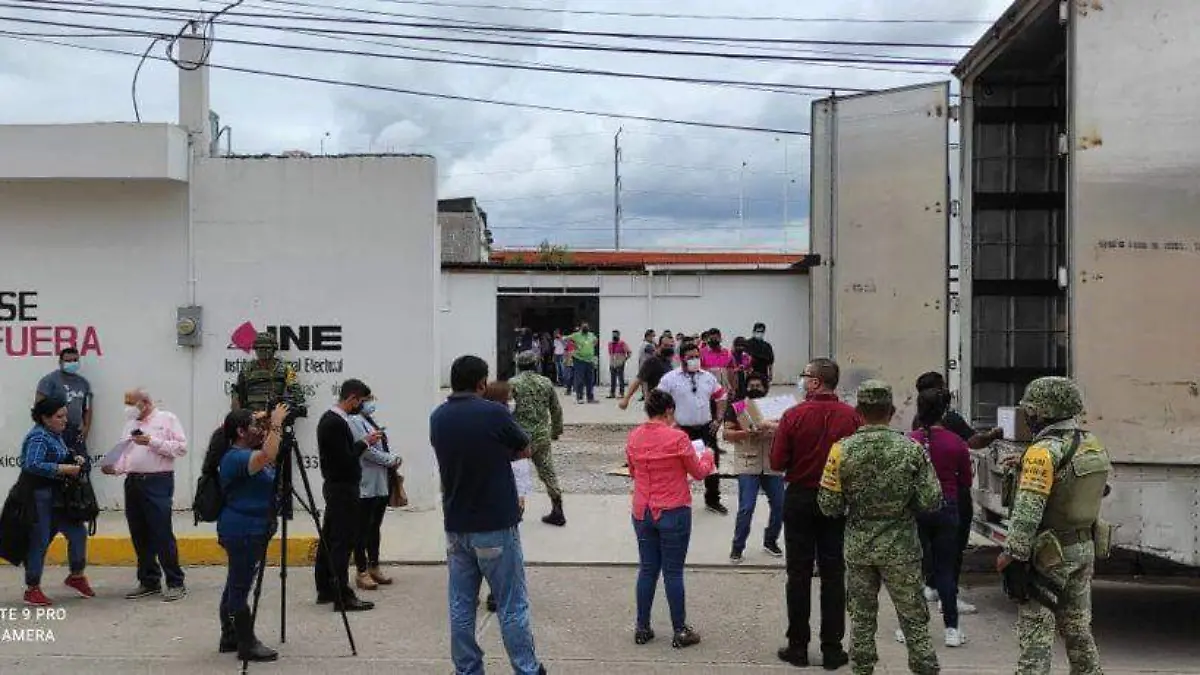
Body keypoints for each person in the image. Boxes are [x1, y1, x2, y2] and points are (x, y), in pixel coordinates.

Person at [818, 380, 943, 675]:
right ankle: (925, 669)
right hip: (902, 549)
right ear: (892, 410)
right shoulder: (911, 449)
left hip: (859, 548)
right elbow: (932, 500)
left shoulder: (840, 451)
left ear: (859, 411)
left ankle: (862, 669)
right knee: (914, 621)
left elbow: (828, 505)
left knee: (861, 620)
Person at [431, 355, 545, 675]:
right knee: (511, 603)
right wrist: (501, 453)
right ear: (482, 383)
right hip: (495, 523)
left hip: (456, 525)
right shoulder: (493, 413)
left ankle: (467, 669)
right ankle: (526, 668)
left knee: (461, 605)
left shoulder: (438, 417)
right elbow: (524, 447)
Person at [997, 376, 1109, 675]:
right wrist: (1024, 464)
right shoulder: (1091, 443)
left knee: (1036, 633)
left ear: (1042, 412)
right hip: (1082, 548)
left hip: (1049, 554)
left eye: (1030, 410)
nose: (1028, 415)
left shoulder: (1042, 452)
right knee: (1077, 629)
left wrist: (1012, 553)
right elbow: (1089, 488)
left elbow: (1028, 510)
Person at [769, 357, 860, 669]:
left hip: (800, 497)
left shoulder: (793, 416)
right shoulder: (852, 418)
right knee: (834, 574)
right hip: (836, 499)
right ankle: (832, 649)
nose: (802, 380)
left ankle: (798, 647)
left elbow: (778, 462)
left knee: (798, 574)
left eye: (805, 376)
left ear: (816, 382)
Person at [626, 389, 714, 649]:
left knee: (647, 569)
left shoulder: (634, 436)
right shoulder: (678, 438)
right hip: (673, 509)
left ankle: (642, 628)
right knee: (673, 572)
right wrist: (708, 455)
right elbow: (698, 473)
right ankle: (680, 630)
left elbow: (632, 470)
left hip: (642, 510)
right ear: (669, 411)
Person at [911, 371, 1001, 614]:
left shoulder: (916, 425)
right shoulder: (950, 425)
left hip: (923, 496)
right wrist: (994, 434)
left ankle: (931, 585)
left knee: (927, 544)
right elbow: (972, 446)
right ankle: (948, 595)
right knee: (951, 547)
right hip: (951, 495)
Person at [206, 403, 289, 661]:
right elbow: (268, 456)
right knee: (240, 586)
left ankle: (230, 635)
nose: (259, 429)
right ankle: (246, 641)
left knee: (236, 580)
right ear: (241, 432)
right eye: (253, 426)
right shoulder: (235, 458)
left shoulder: (246, 451)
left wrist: (267, 425)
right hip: (242, 529)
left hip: (251, 527)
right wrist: (276, 423)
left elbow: (270, 453)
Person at [101, 388, 189, 602]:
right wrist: (114, 468)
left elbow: (180, 448)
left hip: (158, 481)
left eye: (131, 403)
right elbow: (126, 454)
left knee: (161, 532)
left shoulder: (167, 419)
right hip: (133, 482)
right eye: (125, 403)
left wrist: (152, 441)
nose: (127, 408)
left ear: (145, 402)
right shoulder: (130, 425)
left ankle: (175, 581)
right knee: (139, 533)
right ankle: (149, 580)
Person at [904, 388, 972, 647]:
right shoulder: (956, 442)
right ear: (944, 411)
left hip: (916, 512)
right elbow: (965, 480)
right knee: (945, 570)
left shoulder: (910, 440)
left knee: (915, 571)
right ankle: (952, 629)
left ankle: (910, 629)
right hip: (947, 509)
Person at [314, 379, 382, 612]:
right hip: (342, 488)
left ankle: (325, 587)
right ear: (352, 398)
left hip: (339, 487)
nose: (361, 406)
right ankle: (341, 593)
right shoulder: (334, 423)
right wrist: (364, 443)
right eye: (361, 402)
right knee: (342, 541)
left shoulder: (333, 421)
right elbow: (345, 459)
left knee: (331, 537)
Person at [19, 396, 94, 607]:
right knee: (40, 541)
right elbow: (32, 464)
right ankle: (32, 588)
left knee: (78, 533)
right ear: (45, 418)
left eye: (65, 416)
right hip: (39, 498)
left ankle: (76, 576)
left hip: (59, 498)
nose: (64, 420)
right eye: (59, 416)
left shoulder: (56, 435)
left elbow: (57, 457)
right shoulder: (39, 437)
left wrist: (72, 459)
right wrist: (62, 469)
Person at [655, 342, 729, 516]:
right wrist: (670, 424)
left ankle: (713, 500)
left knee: (712, 464)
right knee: (678, 467)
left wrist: (718, 419)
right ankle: (676, 501)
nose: (695, 360)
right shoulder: (670, 379)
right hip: (681, 431)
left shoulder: (707, 377)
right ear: (681, 359)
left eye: (697, 356)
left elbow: (721, 396)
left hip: (706, 428)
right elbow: (657, 400)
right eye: (690, 357)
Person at [480, 380, 534, 614]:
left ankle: (493, 591)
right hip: (503, 493)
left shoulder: (482, 423)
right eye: (508, 398)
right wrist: (520, 493)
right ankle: (498, 593)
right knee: (504, 548)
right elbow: (523, 452)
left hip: (494, 491)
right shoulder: (502, 422)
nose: (512, 402)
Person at [724, 372, 785, 563]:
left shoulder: (777, 407)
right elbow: (726, 434)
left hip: (771, 463)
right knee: (746, 507)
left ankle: (770, 540)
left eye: (759, 385)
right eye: (751, 385)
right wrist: (746, 432)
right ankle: (737, 547)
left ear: (765, 387)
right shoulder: (738, 407)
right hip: (747, 462)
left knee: (780, 506)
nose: (755, 388)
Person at [349, 396, 401, 592]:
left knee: (374, 527)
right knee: (362, 529)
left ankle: (374, 566)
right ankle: (361, 571)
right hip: (366, 483)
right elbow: (366, 451)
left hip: (379, 482)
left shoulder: (368, 420)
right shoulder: (354, 421)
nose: (372, 402)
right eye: (368, 398)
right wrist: (391, 460)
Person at [510, 350, 567, 526]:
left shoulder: (513, 383)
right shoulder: (546, 382)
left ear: (519, 365)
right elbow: (556, 409)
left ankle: (516, 512)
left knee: (517, 474)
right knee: (548, 472)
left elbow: (506, 410)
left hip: (520, 438)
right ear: (536, 364)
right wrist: (556, 431)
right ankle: (558, 510)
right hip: (542, 435)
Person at [35, 347, 92, 457]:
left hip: (76, 432)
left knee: (80, 466)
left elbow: (88, 408)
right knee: (56, 466)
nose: (72, 363)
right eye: (68, 361)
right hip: (55, 431)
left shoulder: (84, 383)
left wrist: (86, 428)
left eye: (75, 360)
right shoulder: (49, 380)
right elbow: (39, 407)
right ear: (60, 362)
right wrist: (46, 430)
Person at [231, 332, 305, 413]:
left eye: (267, 348)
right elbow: (238, 394)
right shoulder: (247, 369)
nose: (263, 351)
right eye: (260, 348)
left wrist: (282, 409)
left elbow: (297, 395)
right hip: (252, 417)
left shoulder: (285, 369)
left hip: (276, 416)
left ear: (274, 349)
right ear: (255, 349)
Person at [619, 338, 675, 411]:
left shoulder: (668, 362)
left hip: (667, 402)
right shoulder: (652, 361)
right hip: (655, 403)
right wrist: (626, 399)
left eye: (671, 346)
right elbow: (638, 380)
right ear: (658, 346)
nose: (669, 348)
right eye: (666, 345)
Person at [566, 323, 598, 404]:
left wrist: (593, 345)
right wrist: (574, 344)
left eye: (586, 327)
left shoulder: (591, 335)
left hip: (590, 360)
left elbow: (596, 340)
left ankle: (590, 398)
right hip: (579, 360)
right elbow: (565, 338)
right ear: (581, 328)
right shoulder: (576, 335)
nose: (585, 328)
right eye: (584, 327)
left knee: (590, 380)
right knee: (579, 379)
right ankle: (579, 397)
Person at [608, 329, 632, 399]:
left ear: (619, 335)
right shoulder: (610, 344)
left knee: (620, 378)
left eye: (616, 334)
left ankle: (621, 393)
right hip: (612, 363)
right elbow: (610, 353)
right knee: (612, 379)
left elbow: (629, 352)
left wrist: (624, 360)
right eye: (613, 334)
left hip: (620, 363)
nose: (614, 335)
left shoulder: (622, 343)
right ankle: (612, 393)